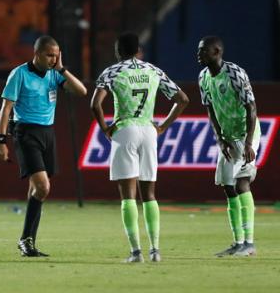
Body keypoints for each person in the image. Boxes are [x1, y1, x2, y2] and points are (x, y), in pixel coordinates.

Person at [90, 32, 189, 263]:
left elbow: (95, 104)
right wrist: (162, 127)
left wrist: (105, 128)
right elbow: (182, 99)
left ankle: (136, 253)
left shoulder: (112, 71)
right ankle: (155, 250)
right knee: (150, 195)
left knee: (128, 197)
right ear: (139, 51)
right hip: (148, 132)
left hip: (125, 130)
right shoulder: (154, 71)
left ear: (118, 52)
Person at [0, 35, 87, 257]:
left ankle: (28, 242)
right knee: (43, 188)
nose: (53, 59)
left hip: (47, 133)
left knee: (36, 189)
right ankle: (25, 240)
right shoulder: (20, 74)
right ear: (37, 54)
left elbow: (81, 91)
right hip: (25, 132)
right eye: (49, 55)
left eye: (56, 55)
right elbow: (6, 108)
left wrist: (62, 69)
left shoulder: (55, 74)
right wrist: (1, 142)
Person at [197, 36, 260, 257]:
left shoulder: (235, 73)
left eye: (203, 51)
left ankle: (249, 243)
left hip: (245, 132)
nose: (199, 54)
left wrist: (249, 142)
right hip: (227, 135)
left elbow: (251, 107)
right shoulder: (203, 77)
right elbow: (210, 110)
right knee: (228, 186)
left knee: (242, 183)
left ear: (216, 52)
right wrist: (220, 139)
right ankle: (238, 242)